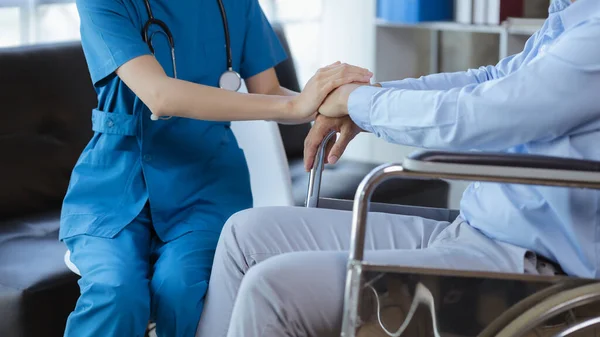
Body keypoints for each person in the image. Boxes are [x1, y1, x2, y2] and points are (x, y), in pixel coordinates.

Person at [194, 0, 600, 336]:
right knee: (243, 235)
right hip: (474, 230)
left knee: (272, 290)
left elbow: (483, 113)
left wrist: (357, 104)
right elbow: (489, 79)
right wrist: (369, 96)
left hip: (528, 266)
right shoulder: (570, 16)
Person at [60, 0, 373, 335]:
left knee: (181, 288)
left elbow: (268, 91)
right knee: (116, 291)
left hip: (206, 185)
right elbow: (160, 95)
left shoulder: (236, 4)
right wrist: (296, 106)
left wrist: (344, 104)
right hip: (116, 185)